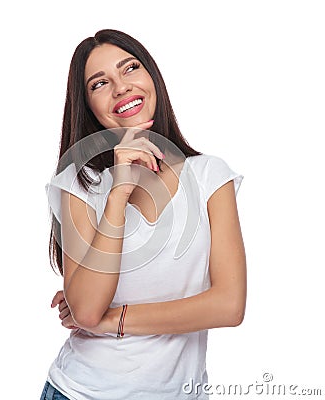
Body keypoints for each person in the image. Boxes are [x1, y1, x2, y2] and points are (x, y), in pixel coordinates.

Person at [41, 29, 247, 400]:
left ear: (152, 77)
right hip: (81, 391)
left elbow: (229, 305)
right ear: (88, 106)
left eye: (130, 68)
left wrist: (114, 319)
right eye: (100, 83)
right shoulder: (80, 182)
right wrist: (118, 193)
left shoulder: (210, 176)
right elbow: (86, 310)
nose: (120, 88)